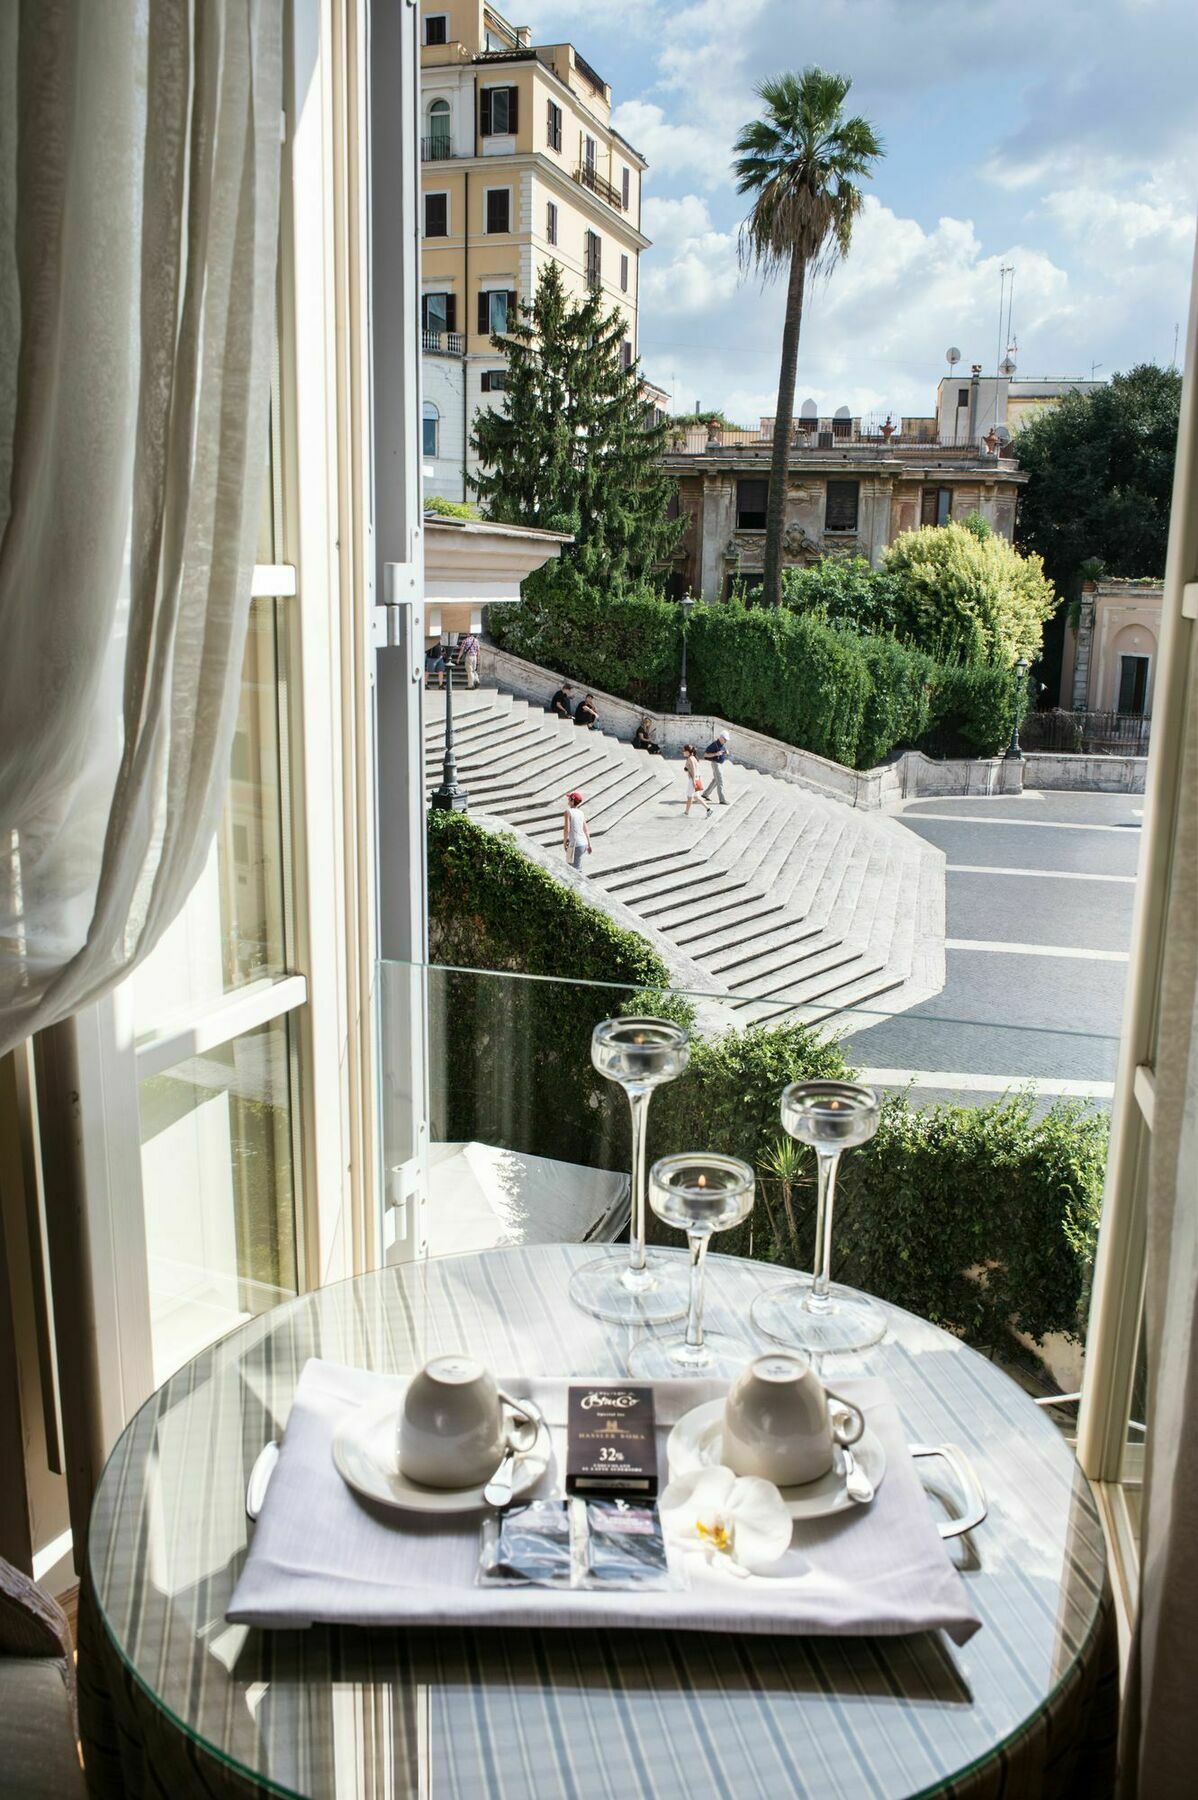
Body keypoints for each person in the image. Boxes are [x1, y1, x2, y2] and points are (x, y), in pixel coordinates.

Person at [563, 790, 592, 870]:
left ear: (572, 801)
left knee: (575, 871)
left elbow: (567, 830)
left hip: (574, 844)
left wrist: (564, 842)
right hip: (583, 843)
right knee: (569, 868)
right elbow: (586, 830)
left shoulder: (568, 812)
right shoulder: (581, 812)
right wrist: (589, 844)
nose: (568, 800)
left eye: (569, 799)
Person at [682, 744, 711, 816]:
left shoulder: (690, 759)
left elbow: (694, 770)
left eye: (684, 751)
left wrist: (694, 781)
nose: (683, 752)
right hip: (696, 778)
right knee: (696, 797)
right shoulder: (693, 758)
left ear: (688, 751)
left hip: (693, 780)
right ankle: (709, 809)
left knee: (690, 797)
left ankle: (686, 813)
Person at [703, 730, 730, 804]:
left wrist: (726, 752)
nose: (726, 741)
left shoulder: (722, 745)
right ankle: (722, 800)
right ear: (721, 737)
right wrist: (715, 754)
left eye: (726, 740)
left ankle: (705, 794)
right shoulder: (714, 745)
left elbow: (722, 752)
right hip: (716, 764)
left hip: (720, 764)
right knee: (720, 781)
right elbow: (705, 755)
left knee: (716, 780)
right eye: (725, 739)